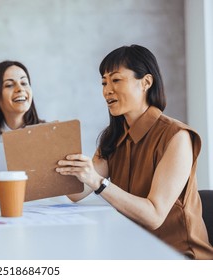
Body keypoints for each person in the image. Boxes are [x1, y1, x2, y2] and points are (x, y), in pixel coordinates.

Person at [56, 44, 213, 259]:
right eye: (104, 82)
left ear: (146, 82)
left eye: (116, 80)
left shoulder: (177, 137)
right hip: (133, 251)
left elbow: (154, 215)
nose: (107, 90)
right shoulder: (113, 137)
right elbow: (77, 192)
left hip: (179, 256)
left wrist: (99, 182)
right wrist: (59, 156)